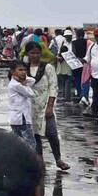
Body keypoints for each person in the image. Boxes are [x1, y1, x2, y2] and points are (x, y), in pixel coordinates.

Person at [23, 41, 70, 171]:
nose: (35, 55)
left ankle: (58, 159)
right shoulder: (23, 68)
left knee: (52, 133)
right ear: (28, 54)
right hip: (31, 107)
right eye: (32, 53)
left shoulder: (48, 67)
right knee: (35, 135)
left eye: (37, 53)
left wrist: (50, 106)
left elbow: (53, 87)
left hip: (45, 105)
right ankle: (39, 161)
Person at [7, 61, 33, 147]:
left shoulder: (17, 83)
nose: (23, 72)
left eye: (25, 70)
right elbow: (31, 94)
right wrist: (25, 85)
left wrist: (24, 80)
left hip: (16, 118)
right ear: (12, 72)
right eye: (20, 70)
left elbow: (33, 80)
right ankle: (29, 160)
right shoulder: (16, 85)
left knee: (18, 142)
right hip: (21, 118)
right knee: (29, 143)